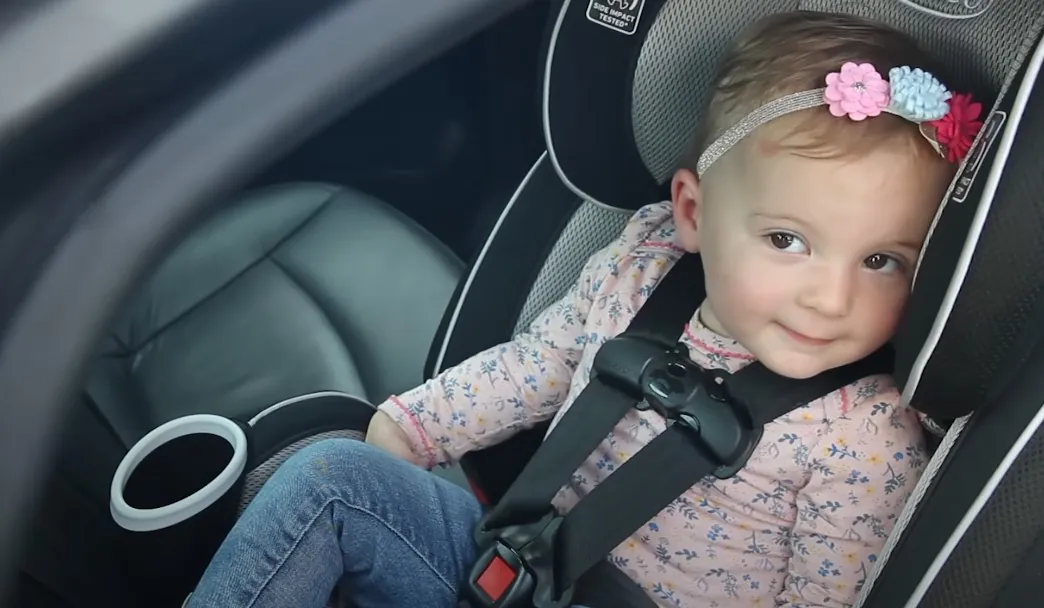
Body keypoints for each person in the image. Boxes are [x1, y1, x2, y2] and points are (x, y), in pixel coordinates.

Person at [185, 10, 984, 608]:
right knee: (328, 479)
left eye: (883, 261)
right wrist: (414, 428)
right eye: (787, 239)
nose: (832, 295)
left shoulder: (864, 437)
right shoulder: (644, 270)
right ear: (694, 214)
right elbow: (544, 363)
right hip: (507, 567)